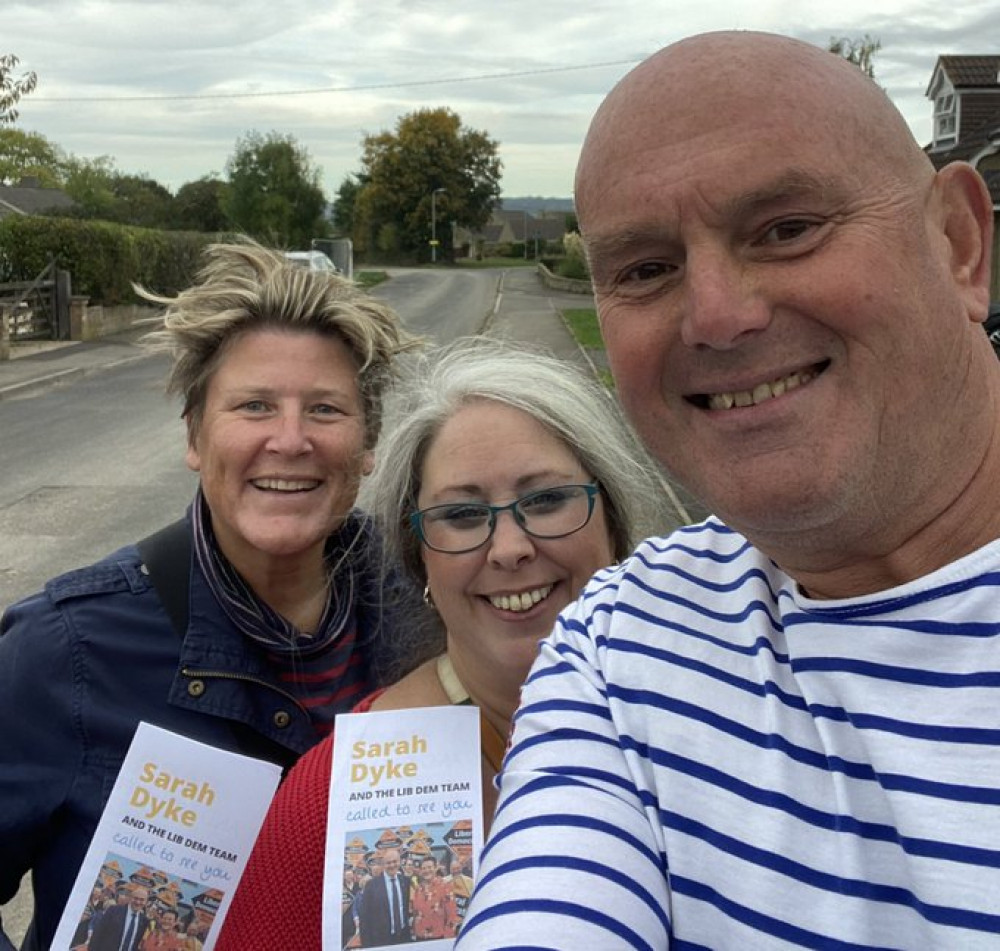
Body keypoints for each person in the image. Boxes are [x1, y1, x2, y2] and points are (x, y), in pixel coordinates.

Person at [455, 30, 1000, 950]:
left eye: (786, 229)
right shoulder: (617, 643)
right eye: (645, 269)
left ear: (958, 243)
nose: (717, 316)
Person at [0, 240, 421, 951]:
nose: (290, 440)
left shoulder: (429, 613)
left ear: (369, 442)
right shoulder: (63, 654)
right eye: (254, 405)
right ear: (195, 433)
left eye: (324, 409)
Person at [216, 337, 665, 948]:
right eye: (461, 515)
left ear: (613, 522)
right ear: (418, 557)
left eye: (549, 499)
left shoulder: (733, 725)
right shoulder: (330, 798)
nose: (510, 549)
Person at [410, 853, 460, 940]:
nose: (426, 870)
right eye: (424, 868)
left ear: (436, 868)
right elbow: (415, 913)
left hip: (438, 938)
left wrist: (448, 938)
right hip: (420, 938)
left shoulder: (445, 887)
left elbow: (452, 916)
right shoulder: (418, 889)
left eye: (429, 867)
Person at [87, 885, 150, 951]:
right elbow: (98, 933)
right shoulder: (114, 911)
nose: (138, 902)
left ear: (146, 902)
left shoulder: (144, 921)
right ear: (130, 898)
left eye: (142, 900)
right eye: (135, 898)